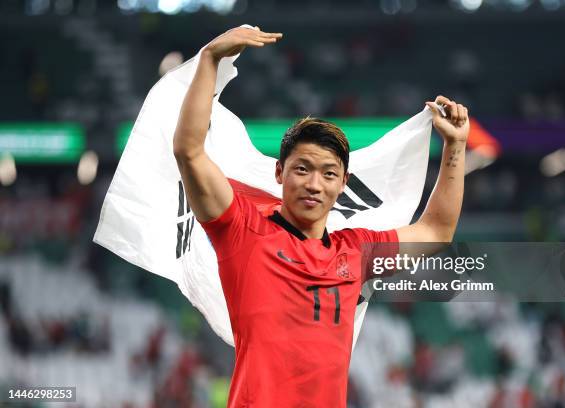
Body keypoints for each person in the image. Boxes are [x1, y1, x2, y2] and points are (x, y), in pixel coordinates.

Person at [173, 26, 469, 408]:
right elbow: (189, 151)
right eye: (302, 169)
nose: (315, 184)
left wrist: (455, 146)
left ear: (342, 183)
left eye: (328, 174)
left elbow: (436, 231)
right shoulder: (243, 230)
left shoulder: (357, 251)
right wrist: (211, 58)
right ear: (279, 173)